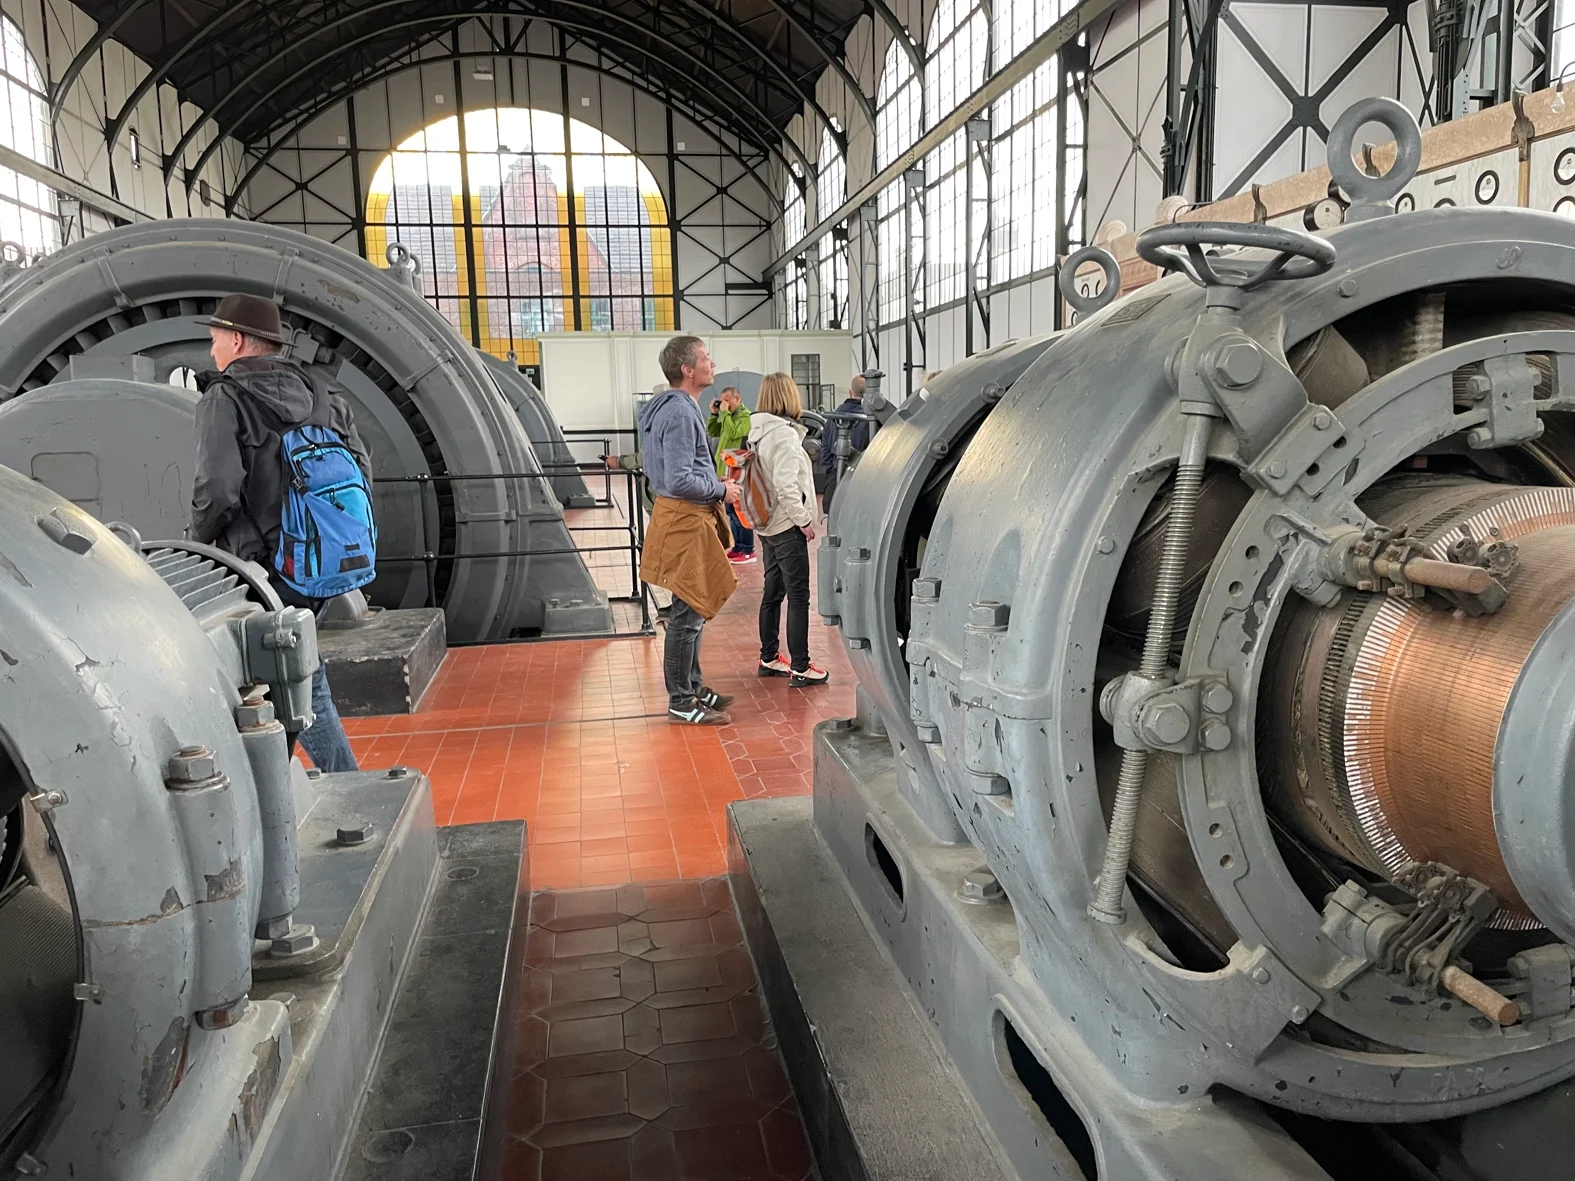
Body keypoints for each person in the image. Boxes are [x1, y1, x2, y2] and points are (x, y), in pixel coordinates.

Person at [190, 293, 370, 772]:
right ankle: (291, 788)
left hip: (262, 570)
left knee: (290, 681)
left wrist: (197, 545)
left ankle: (335, 787)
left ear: (236, 338)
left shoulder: (224, 399)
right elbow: (362, 470)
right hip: (321, 565)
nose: (212, 353)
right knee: (294, 676)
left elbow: (218, 488)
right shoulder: (323, 392)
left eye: (214, 341)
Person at [638, 335, 741, 725]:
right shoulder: (681, 412)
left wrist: (710, 480)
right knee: (687, 614)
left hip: (679, 516)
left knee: (694, 606)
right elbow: (680, 479)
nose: (711, 364)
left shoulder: (670, 407)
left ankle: (693, 687)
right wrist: (721, 489)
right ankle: (681, 700)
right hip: (684, 518)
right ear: (687, 370)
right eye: (705, 358)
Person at [750, 373, 829, 687]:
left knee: (772, 593)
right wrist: (804, 520)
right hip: (785, 524)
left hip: (767, 524)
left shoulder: (756, 432)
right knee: (798, 597)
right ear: (789, 397)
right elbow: (785, 486)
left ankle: (769, 657)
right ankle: (801, 666)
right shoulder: (783, 436)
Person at [706, 386, 754, 564]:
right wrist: (714, 414)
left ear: (738, 399)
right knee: (731, 511)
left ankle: (748, 549)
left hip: (737, 469)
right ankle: (738, 547)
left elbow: (735, 432)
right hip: (724, 468)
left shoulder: (745, 416)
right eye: (722, 400)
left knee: (740, 510)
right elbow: (713, 432)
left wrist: (724, 414)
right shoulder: (728, 416)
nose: (725, 404)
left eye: (728, 400)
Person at [820, 373, 870, 517]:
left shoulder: (832, 419)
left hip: (835, 482)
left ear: (850, 392)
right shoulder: (873, 422)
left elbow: (825, 456)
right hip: (863, 483)